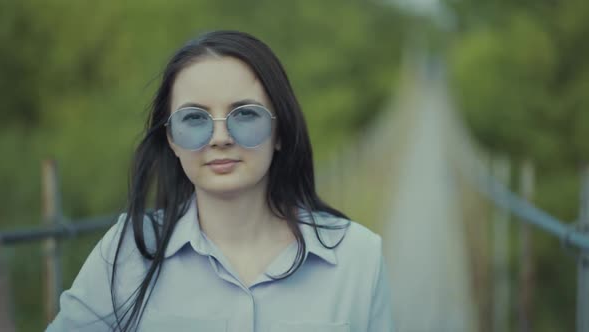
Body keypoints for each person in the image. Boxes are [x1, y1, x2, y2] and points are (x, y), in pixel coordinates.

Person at [46, 30, 394, 332]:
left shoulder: (357, 258)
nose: (220, 137)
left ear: (280, 131)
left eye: (244, 114)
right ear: (171, 139)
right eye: (194, 118)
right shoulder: (129, 252)